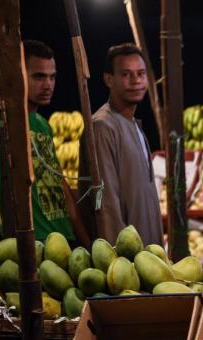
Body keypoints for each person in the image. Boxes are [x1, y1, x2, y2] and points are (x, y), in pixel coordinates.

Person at [0, 39, 81, 243]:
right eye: (39, 77)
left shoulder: (43, 124)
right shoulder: (1, 117)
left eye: (52, 77)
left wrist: (84, 238)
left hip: (64, 237)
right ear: (18, 75)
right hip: (33, 239)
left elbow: (59, 184)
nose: (48, 85)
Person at [78, 43, 162, 246]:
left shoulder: (134, 125)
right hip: (126, 262)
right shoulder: (102, 126)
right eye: (126, 74)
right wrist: (119, 257)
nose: (136, 81)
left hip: (148, 255)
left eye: (141, 74)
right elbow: (107, 204)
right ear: (109, 79)